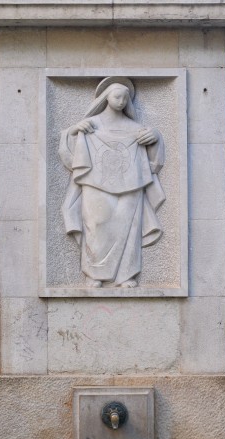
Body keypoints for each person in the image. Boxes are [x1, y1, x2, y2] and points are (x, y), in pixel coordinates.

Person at [58, 76, 166, 288]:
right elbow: (69, 152)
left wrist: (156, 137)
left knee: (129, 227)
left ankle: (126, 275)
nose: (121, 101)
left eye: (125, 98)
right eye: (117, 96)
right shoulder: (91, 124)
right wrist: (74, 131)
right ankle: (93, 273)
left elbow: (153, 162)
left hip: (131, 186)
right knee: (95, 225)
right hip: (94, 184)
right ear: (106, 98)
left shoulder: (135, 127)